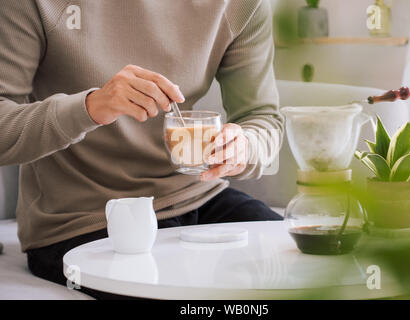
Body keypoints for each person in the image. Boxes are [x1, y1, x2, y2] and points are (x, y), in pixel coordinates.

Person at [0, 0, 283, 299]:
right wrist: (91, 107)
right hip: (82, 219)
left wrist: (245, 145)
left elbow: (262, 118)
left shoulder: (241, 4)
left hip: (198, 196)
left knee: (310, 271)